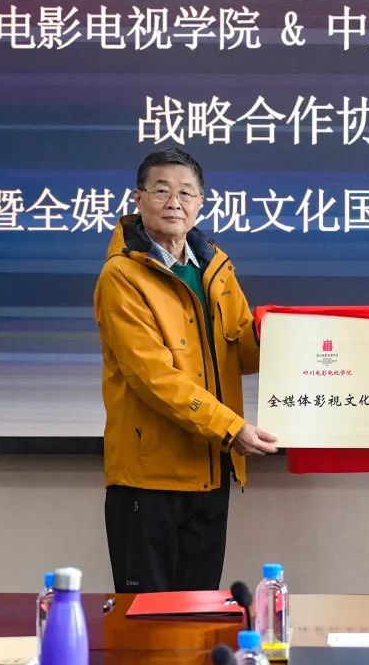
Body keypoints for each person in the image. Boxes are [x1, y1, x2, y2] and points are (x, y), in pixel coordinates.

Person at [94, 147, 278, 593]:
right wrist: (231, 428)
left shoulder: (215, 267)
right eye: (161, 191)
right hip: (149, 481)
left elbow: (244, 351)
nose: (174, 202)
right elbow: (152, 377)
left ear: (201, 203)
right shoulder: (122, 276)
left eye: (186, 193)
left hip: (211, 474)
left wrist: (298, 339)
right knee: (148, 622)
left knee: (199, 616)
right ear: (138, 199)